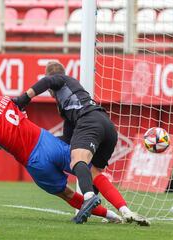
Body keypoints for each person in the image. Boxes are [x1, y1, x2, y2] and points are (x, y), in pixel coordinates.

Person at [0, 82, 148, 226]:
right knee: (90, 170)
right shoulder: (0, 99)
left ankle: (111, 216)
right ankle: (124, 210)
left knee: (66, 193)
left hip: (34, 162)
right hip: (47, 142)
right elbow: (13, 122)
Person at [12, 61, 150, 225]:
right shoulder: (69, 103)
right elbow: (68, 139)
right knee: (94, 174)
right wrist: (49, 144)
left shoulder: (60, 81)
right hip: (107, 126)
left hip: (90, 121)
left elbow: (48, 81)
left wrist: (23, 99)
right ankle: (125, 211)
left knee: (78, 160)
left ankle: (89, 198)